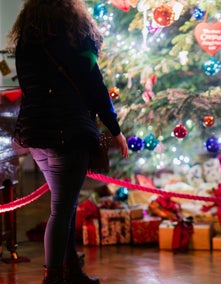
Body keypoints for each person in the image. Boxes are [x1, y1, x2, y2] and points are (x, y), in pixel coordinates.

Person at [8, 0, 129, 283]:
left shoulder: (27, 36)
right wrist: (115, 129)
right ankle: (53, 278)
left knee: (66, 205)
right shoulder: (76, 34)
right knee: (62, 209)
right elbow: (95, 85)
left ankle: (72, 272)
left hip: (34, 132)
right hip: (68, 131)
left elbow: (28, 87)